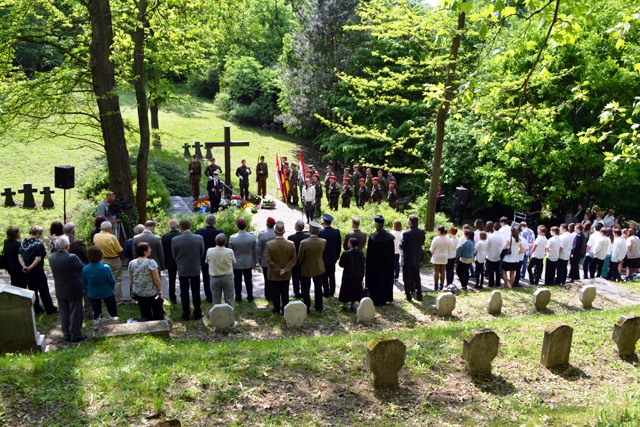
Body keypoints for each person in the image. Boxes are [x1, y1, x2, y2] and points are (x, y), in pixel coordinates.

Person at [49, 236, 86, 342]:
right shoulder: (72, 257)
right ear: (67, 246)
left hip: (60, 288)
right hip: (73, 288)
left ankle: (66, 334)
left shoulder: (51, 258)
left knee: (64, 313)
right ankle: (76, 334)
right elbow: (82, 268)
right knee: (75, 312)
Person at [19, 225, 57, 315]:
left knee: (32, 290)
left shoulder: (23, 243)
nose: (40, 235)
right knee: (43, 289)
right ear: (37, 233)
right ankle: (49, 309)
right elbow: (38, 259)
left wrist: (24, 266)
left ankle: (36, 309)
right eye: (40, 233)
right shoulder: (38, 244)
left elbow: (20, 256)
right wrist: (30, 267)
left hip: (27, 271)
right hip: (37, 270)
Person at [172, 219, 205, 320]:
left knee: (184, 292)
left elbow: (174, 255)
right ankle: (197, 312)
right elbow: (202, 252)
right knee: (196, 291)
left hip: (182, 268)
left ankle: (186, 313)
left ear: (180, 227)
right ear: (190, 226)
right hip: (195, 267)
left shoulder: (175, 240)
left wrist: (180, 262)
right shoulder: (199, 238)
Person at [265, 221, 296, 315]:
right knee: (285, 291)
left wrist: (278, 270)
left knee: (275, 292)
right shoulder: (291, 244)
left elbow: (269, 260)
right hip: (286, 273)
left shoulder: (269, 244)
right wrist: (285, 269)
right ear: (284, 232)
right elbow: (293, 260)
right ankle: (285, 307)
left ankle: (276, 308)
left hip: (274, 273)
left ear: (275, 232)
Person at [128, 242, 164, 321]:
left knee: (144, 311)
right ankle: (158, 323)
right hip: (151, 292)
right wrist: (160, 290)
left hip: (138, 292)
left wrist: (131, 290)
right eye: (149, 249)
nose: (150, 250)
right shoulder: (151, 262)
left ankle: (146, 322)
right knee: (157, 310)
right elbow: (156, 279)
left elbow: (131, 279)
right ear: (144, 252)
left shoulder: (131, 263)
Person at [63, 222, 92, 319]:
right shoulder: (78, 242)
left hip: (66, 270)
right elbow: (86, 255)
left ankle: (71, 311)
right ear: (73, 231)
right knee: (87, 290)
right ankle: (88, 312)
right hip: (81, 269)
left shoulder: (59, 241)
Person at [365, 215, 395, 306]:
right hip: (387, 265)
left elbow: (370, 255)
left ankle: (375, 298)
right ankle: (385, 298)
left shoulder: (373, 238)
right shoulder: (389, 237)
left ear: (376, 225)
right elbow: (392, 253)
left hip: (376, 265)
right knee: (385, 281)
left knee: (376, 282)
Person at [93, 221, 125, 304]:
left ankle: (104, 298)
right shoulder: (112, 237)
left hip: (102, 260)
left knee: (104, 279)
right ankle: (117, 300)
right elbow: (119, 250)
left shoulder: (96, 236)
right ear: (110, 229)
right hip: (113, 260)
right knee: (117, 279)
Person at [82, 246, 118, 320]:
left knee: (97, 313)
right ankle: (114, 323)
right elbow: (112, 281)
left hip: (93, 293)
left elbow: (85, 282)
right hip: (107, 292)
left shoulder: (85, 269)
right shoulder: (106, 267)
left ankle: (99, 324)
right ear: (101, 255)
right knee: (113, 311)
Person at [298, 221, 326, 313]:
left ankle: (307, 307)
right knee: (318, 288)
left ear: (310, 231)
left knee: (305, 288)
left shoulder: (304, 243)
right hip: (319, 267)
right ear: (318, 232)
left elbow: (300, 256)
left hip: (306, 267)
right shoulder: (323, 242)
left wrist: (301, 263)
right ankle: (319, 307)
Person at [206, 234, 237, 312]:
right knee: (229, 299)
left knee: (215, 299)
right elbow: (234, 262)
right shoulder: (230, 251)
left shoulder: (210, 250)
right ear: (225, 242)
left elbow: (207, 261)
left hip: (214, 277)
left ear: (215, 241)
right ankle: (230, 317)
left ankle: (217, 317)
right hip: (227, 277)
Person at [196, 214, 223, 303]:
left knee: (206, 278)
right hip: (216, 258)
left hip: (204, 257)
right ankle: (217, 295)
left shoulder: (199, 232)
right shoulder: (219, 232)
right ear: (215, 222)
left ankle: (209, 296)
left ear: (206, 221)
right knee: (217, 276)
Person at [229, 218, 257, 302]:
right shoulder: (252, 237)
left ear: (237, 226)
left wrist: (231, 263)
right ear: (245, 226)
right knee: (248, 280)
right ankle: (250, 296)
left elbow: (230, 252)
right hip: (248, 261)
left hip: (237, 262)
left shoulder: (232, 238)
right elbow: (255, 251)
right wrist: (255, 262)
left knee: (237, 280)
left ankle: (238, 297)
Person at [400, 215, 425, 300]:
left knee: (407, 277)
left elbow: (402, 245)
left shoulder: (406, 233)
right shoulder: (421, 232)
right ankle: (419, 294)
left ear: (410, 222)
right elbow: (422, 243)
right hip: (417, 256)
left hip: (407, 258)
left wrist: (400, 242)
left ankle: (408, 295)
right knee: (417, 276)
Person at [338, 237, 365, 311]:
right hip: (357, 274)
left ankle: (345, 305)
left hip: (348, 274)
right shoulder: (360, 252)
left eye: (349, 242)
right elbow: (362, 264)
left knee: (345, 289)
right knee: (355, 290)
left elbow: (341, 264)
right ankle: (352, 305)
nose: (348, 243)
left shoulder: (346, 253)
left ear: (351, 244)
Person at [318, 214, 341, 298]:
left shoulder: (320, 232)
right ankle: (332, 291)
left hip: (323, 257)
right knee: (332, 275)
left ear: (324, 222)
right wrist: (337, 256)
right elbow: (338, 246)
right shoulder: (336, 232)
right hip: (332, 257)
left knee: (324, 275)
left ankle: (326, 291)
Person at [257, 217, 277, 304]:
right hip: (276, 260)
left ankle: (268, 294)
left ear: (266, 224)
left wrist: (259, 259)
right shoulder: (277, 234)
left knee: (267, 278)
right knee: (275, 278)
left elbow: (259, 248)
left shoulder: (262, 234)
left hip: (265, 260)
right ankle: (275, 293)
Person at [287, 220, 309, 299]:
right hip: (304, 261)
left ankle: (296, 293)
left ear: (295, 227)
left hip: (295, 260)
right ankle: (303, 292)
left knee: (295, 278)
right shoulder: (307, 237)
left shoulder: (291, 237)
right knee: (303, 278)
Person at [161, 219, 181, 304]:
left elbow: (163, 251)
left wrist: (164, 263)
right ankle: (183, 295)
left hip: (170, 261)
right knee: (183, 279)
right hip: (181, 261)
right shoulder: (181, 235)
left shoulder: (165, 236)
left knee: (171, 280)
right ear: (177, 225)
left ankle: (172, 298)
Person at [430, 225, 449, 291]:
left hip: (437, 256)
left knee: (436, 271)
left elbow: (432, 248)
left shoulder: (436, 239)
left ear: (439, 231)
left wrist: (432, 252)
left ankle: (436, 285)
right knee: (443, 271)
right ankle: (441, 285)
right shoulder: (448, 238)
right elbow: (449, 248)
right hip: (444, 256)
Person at [486, 222, 504, 288]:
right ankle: (498, 283)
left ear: (493, 228)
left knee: (490, 270)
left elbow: (487, 245)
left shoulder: (490, 236)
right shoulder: (502, 236)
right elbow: (503, 246)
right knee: (497, 270)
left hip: (490, 254)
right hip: (498, 255)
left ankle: (491, 284)